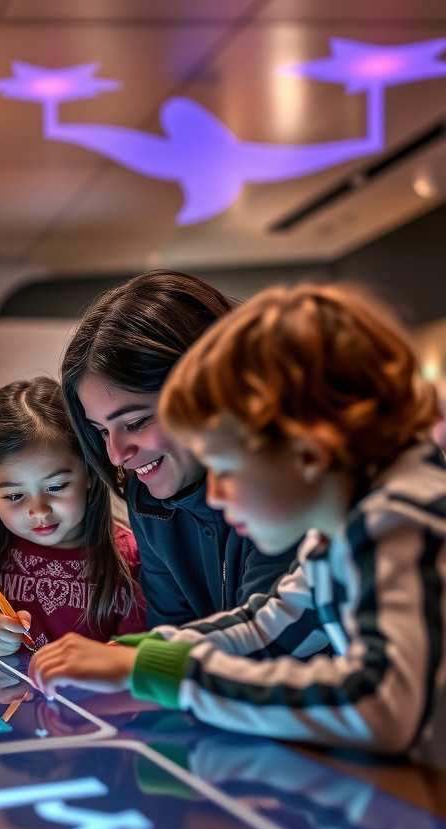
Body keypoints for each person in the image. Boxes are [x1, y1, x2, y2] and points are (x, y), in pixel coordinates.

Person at [30, 284, 446, 766]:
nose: (217, 494)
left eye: (225, 469)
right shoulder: (336, 531)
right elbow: (268, 628)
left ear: (308, 453)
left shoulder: (398, 518)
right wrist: (141, 659)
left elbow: (380, 704)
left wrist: (174, 675)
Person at [60, 270, 297, 627]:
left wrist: (132, 663)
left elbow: (266, 638)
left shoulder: (292, 480)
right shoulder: (149, 500)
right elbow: (169, 629)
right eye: (101, 432)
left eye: (137, 422)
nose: (116, 455)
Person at [0, 377, 145, 657]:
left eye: (56, 487)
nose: (39, 510)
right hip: (5, 701)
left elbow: (135, 652)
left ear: (90, 472)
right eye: (14, 496)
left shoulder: (127, 557)